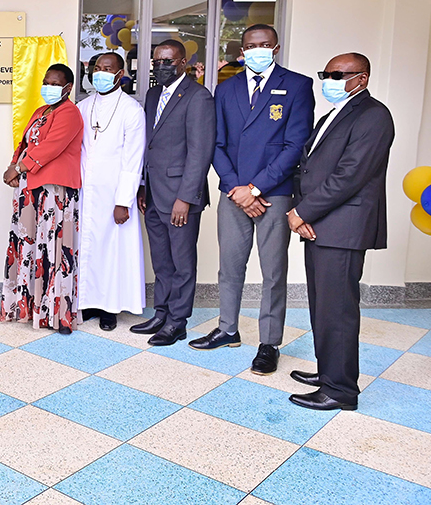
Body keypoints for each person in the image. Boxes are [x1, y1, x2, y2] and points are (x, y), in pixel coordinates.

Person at [189, 25, 314, 376]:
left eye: (263, 45)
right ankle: (228, 328)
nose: (256, 50)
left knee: (273, 272)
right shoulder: (226, 89)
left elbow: (296, 145)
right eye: (249, 46)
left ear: (275, 47)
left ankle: (269, 343)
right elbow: (217, 143)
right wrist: (236, 188)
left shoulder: (298, 85)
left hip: (273, 193)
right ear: (241, 51)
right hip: (233, 193)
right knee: (229, 266)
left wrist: (256, 188)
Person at [287, 53, 393, 411]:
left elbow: (349, 175)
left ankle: (341, 390)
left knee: (339, 311)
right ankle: (329, 371)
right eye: (326, 73)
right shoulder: (338, 111)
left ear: (361, 78)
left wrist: (302, 211)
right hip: (320, 225)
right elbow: (311, 165)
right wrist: (304, 212)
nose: (328, 80)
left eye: (338, 74)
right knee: (322, 307)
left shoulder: (374, 116)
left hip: (342, 227)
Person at [132, 40, 214, 346]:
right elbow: (150, 144)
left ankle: (177, 321)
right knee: (162, 260)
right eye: (157, 62)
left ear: (183, 63)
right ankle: (161, 312)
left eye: (168, 62)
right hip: (153, 193)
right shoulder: (154, 94)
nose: (161, 67)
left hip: (181, 197)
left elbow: (199, 152)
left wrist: (185, 198)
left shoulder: (198, 97)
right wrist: (143, 185)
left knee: (182, 262)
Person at [2, 63, 84, 334]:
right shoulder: (41, 111)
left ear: (68, 87)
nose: (48, 87)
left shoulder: (70, 113)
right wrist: (14, 167)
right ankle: (28, 308)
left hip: (54, 192)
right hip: (29, 188)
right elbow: (24, 143)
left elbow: (50, 148)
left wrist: (20, 167)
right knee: (30, 249)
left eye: (54, 83)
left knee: (53, 250)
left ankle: (56, 314)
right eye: (46, 82)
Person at [76, 53, 146, 331]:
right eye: (97, 68)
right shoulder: (82, 106)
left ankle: (110, 308)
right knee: (86, 248)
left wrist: (123, 201)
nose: (100, 73)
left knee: (112, 250)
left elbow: (133, 159)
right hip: (84, 191)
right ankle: (87, 301)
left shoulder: (131, 110)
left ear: (121, 73)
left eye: (108, 69)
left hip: (114, 194)